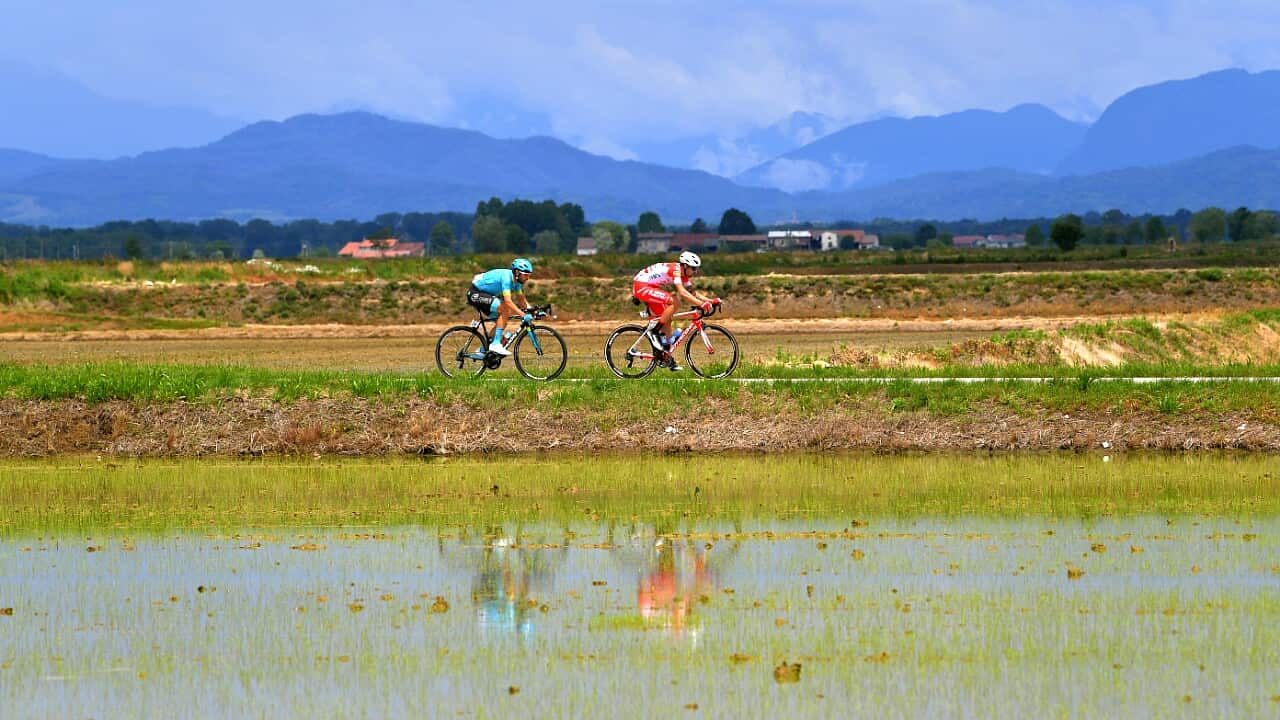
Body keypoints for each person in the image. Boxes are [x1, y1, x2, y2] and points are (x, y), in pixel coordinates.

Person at [632, 251, 719, 370]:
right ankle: (654, 332)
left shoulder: (684, 274)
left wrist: (710, 301)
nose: (695, 271)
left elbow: (692, 293)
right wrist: (701, 304)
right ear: (685, 266)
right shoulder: (676, 270)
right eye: (693, 268)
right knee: (675, 302)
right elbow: (682, 293)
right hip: (641, 286)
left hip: (650, 287)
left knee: (667, 320)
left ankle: (667, 358)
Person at [467, 258, 535, 356]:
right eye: (525, 275)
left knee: (503, 331)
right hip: (475, 293)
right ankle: (495, 345)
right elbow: (508, 301)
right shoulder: (507, 278)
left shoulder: (517, 283)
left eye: (529, 275)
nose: (527, 278)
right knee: (505, 309)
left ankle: (483, 350)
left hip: (486, 296)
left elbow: (522, 300)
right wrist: (523, 315)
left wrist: (533, 311)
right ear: (517, 272)